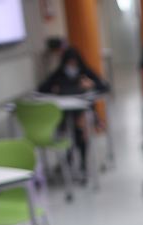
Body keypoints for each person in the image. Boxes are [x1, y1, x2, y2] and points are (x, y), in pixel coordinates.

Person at [38, 47, 109, 178]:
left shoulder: (85, 72)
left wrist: (91, 85)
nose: (72, 67)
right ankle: (70, 158)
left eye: (74, 63)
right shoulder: (59, 74)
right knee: (70, 132)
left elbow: (104, 86)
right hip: (64, 114)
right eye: (69, 63)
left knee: (80, 130)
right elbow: (42, 88)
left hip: (81, 113)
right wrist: (54, 89)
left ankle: (80, 162)